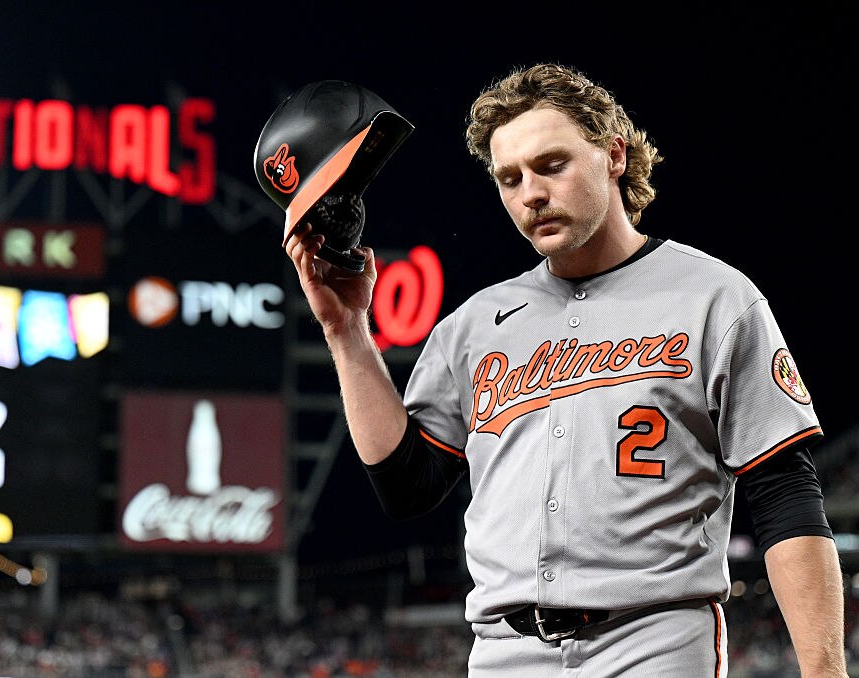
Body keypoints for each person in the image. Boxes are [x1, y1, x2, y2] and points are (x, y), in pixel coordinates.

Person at [284, 63, 846, 677]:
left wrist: (825, 670)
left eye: (552, 165)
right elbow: (407, 486)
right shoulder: (476, 324)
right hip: (504, 653)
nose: (530, 193)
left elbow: (785, 495)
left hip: (653, 644)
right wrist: (346, 330)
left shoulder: (715, 299)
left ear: (614, 155)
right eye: (509, 178)